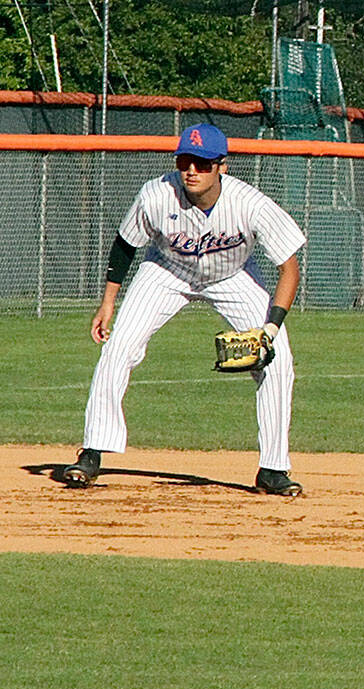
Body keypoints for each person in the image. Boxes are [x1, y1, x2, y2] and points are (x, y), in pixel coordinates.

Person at [61, 123, 307, 496]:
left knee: (277, 359)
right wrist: (108, 303)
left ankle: (273, 468)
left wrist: (271, 328)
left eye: (203, 162)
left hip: (233, 275)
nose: (192, 169)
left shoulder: (250, 203)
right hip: (166, 270)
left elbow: (289, 268)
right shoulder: (157, 194)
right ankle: (92, 453)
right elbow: (126, 245)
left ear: (222, 166)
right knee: (119, 347)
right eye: (185, 160)